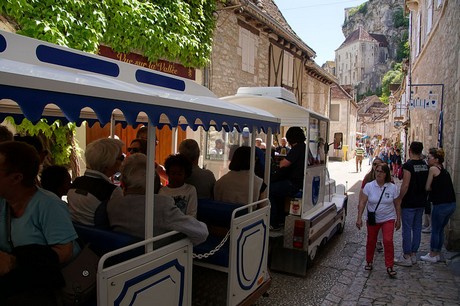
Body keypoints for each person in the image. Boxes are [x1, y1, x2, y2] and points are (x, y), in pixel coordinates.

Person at [0, 141, 79, 303]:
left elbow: (65, 252)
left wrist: (16, 261)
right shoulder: (3, 201)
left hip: (44, 285)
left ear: (16, 178)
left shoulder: (49, 205)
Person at [107, 153, 208, 245]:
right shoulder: (162, 204)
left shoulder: (112, 204)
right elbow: (201, 232)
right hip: (156, 258)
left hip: (120, 259)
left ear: (123, 182)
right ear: (152, 181)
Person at [356, 164, 400, 278]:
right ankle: (369, 261)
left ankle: (389, 266)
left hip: (388, 218)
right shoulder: (369, 186)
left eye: (381, 171)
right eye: (377, 171)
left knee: (388, 240)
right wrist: (359, 217)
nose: (379, 173)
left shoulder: (392, 187)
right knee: (371, 240)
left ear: (386, 174)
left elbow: (397, 204)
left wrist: (398, 219)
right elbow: (362, 203)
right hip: (373, 218)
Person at [67, 138, 124, 226]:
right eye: (121, 158)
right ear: (109, 162)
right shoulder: (112, 191)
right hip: (102, 237)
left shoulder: (76, 183)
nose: (122, 161)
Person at [394, 141, 429, 267]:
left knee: (407, 229)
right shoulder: (425, 165)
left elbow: (406, 184)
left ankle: (407, 255)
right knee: (417, 228)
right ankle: (414, 254)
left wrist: (399, 198)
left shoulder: (408, 165)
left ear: (410, 150)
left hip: (409, 201)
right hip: (421, 200)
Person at [420, 148, 456, 263]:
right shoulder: (443, 169)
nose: (428, 160)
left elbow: (427, 187)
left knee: (435, 229)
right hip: (451, 204)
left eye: (429, 158)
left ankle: (432, 254)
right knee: (440, 229)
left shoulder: (433, 169)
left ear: (436, 160)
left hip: (441, 204)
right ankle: (438, 253)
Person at [269, 127, 306, 229]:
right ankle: (280, 219)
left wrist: (276, 163)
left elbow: (284, 164)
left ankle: (273, 222)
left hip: (293, 183)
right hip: (298, 182)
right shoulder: (303, 147)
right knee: (279, 193)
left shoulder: (297, 148)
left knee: (270, 190)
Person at [360, 157, 385, 252]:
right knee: (372, 224)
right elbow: (362, 191)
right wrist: (360, 204)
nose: (376, 167)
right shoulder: (368, 177)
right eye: (374, 164)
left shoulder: (387, 177)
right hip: (372, 207)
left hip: (383, 207)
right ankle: (372, 241)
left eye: (378, 164)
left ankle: (378, 241)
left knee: (382, 225)